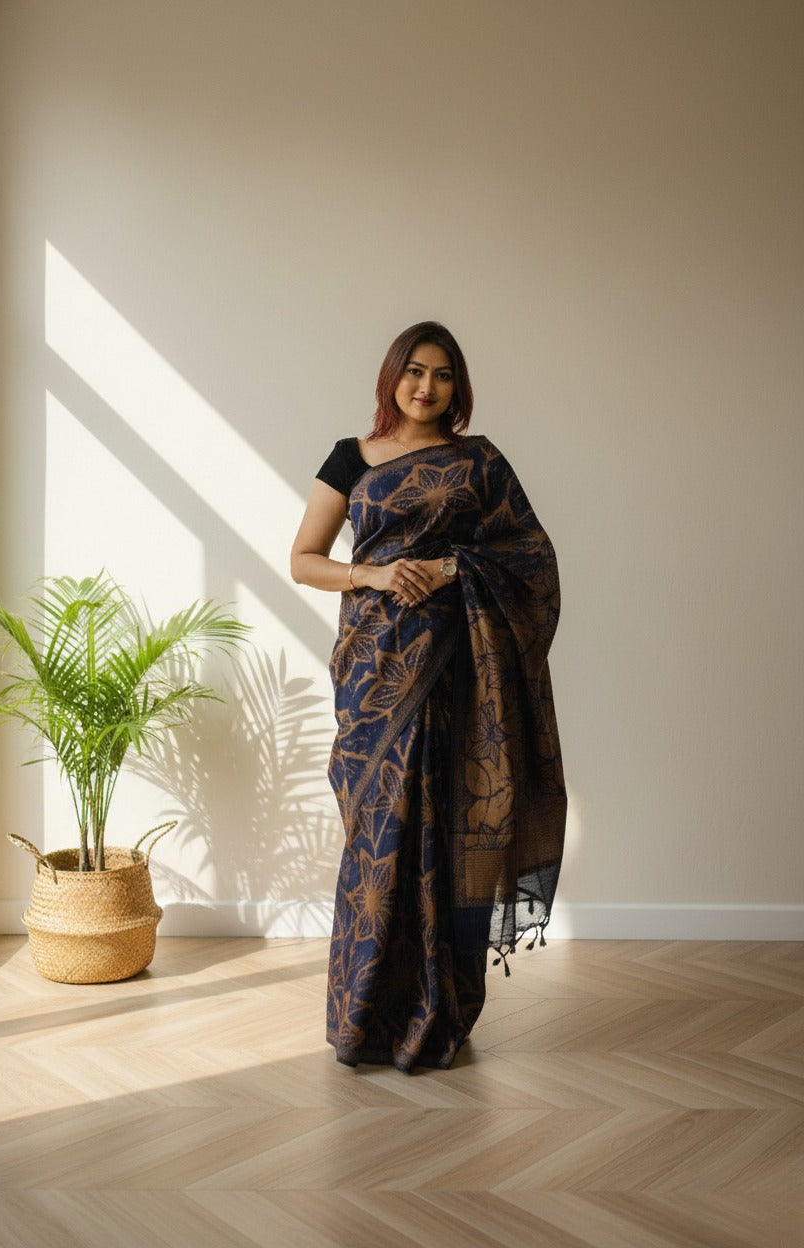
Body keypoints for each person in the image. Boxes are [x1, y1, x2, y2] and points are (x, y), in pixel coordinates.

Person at [290, 321, 566, 1071]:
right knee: (376, 835)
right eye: (414, 371)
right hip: (374, 670)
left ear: (458, 387)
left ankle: (435, 1015)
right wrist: (375, 574)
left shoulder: (480, 463)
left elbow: (531, 558)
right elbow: (304, 560)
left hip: (456, 672)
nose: (426, 387)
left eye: (443, 375)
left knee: (447, 830)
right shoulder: (350, 458)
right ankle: (363, 1020)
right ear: (392, 376)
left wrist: (447, 569)